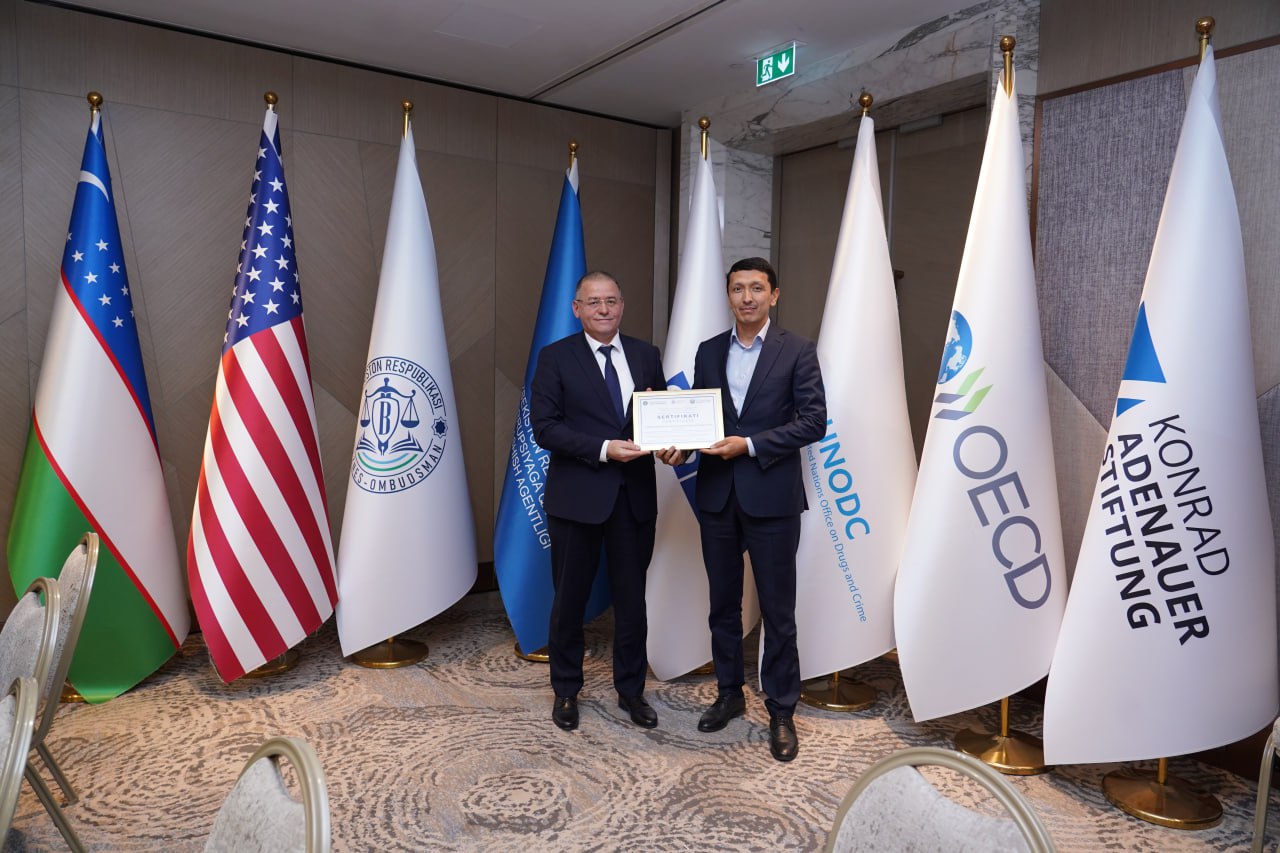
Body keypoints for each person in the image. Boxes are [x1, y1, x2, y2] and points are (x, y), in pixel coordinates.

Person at [658, 257, 826, 761]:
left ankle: (781, 710)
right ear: (728, 295)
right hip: (717, 496)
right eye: (737, 289)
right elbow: (700, 420)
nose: (746, 297)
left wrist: (749, 445)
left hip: (772, 498)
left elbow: (813, 421)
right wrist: (681, 448)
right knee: (722, 605)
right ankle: (729, 693)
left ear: (774, 295)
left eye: (756, 288)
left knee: (778, 611)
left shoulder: (798, 350)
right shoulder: (709, 351)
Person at [530, 270, 666, 732]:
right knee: (569, 600)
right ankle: (566, 690)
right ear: (577, 309)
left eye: (611, 301)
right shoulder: (555, 357)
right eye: (593, 302)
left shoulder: (646, 355)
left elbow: (658, 418)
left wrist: (674, 445)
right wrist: (605, 449)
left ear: (622, 305)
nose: (603, 309)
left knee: (632, 602)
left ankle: (632, 691)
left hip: (634, 498)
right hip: (577, 498)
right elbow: (545, 428)